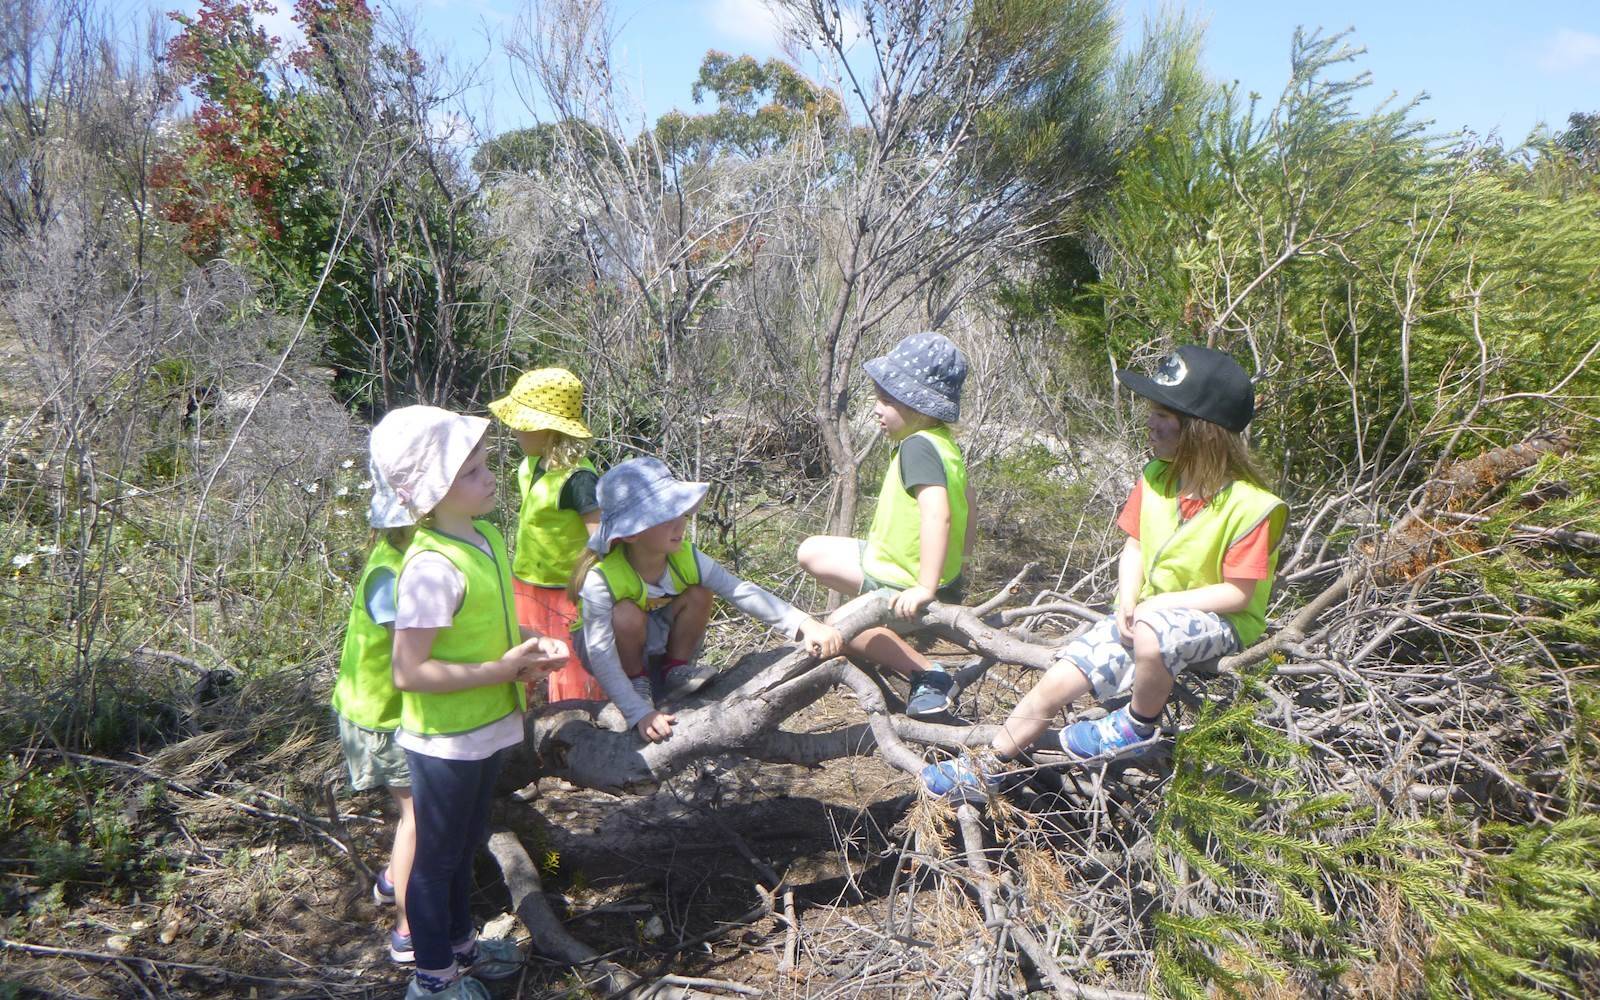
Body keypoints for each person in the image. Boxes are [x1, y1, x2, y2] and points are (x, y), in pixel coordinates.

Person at [922, 345, 1288, 797]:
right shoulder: (1157, 477)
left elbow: (1238, 595)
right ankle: (987, 766)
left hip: (1223, 620)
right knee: (1059, 676)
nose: (1150, 422)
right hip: (1155, 616)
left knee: (1153, 627)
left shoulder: (1252, 506)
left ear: (1201, 431)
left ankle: (1138, 726)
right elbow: (1133, 546)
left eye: (1165, 414)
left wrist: (1154, 607)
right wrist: (1128, 601)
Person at [373, 405, 570, 999]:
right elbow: (409, 671)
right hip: (446, 739)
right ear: (432, 493)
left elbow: (481, 628)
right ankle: (433, 980)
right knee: (436, 860)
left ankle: (460, 948)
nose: (488, 478)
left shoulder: (481, 536)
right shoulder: (431, 567)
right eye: (471, 472)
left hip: (485, 727)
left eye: (485, 465)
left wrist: (526, 653)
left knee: (464, 846)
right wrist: (500, 669)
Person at [570, 457, 844, 742]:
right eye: (665, 517)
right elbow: (601, 653)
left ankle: (675, 671)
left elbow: (742, 591)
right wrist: (636, 711)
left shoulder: (686, 558)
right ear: (631, 534)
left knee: (700, 592)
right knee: (626, 614)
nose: (680, 522)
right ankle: (637, 683)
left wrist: (806, 624)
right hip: (609, 649)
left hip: (652, 640)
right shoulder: (601, 580)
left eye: (681, 512)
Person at [796, 331, 977, 717]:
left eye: (887, 400)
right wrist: (961, 563)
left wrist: (926, 587)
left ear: (917, 405)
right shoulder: (940, 442)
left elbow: (937, 512)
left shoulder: (918, 447)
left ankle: (929, 674)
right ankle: (885, 613)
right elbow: (970, 502)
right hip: (894, 564)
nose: (877, 409)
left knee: (837, 626)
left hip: (910, 580)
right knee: (811, 551)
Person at [329, 450, 417, 964]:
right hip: (380, 717)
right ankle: (409, 928)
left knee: (415, 815)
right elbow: (410, 653)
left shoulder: (404, 559)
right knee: (419, 818)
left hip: (381, 709)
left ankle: (390, 881)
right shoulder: (392, 573)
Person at [489, 367, 605, 702]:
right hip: (526, 583)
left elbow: (598, 540)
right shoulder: (529, 465)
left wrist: (589, 589)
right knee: (525, 658)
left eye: (522, 424)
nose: (513, 431)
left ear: (549, 430)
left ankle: (577, 730)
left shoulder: (578, 480)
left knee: (569, 667)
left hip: (566, 593)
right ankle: (525, 730)